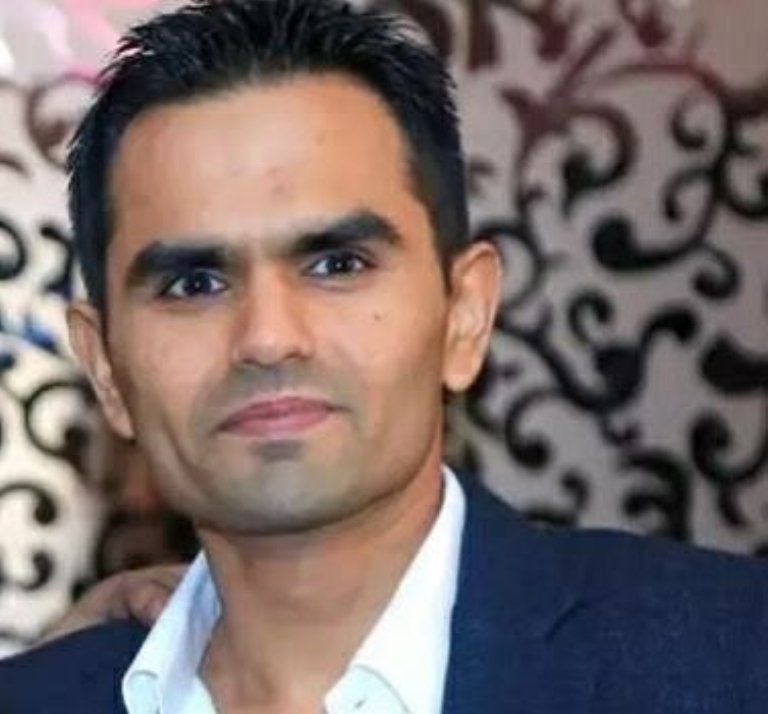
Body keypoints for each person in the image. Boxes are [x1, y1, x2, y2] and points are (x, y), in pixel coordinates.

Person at [2, 1, 768, 712]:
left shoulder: (731, 656)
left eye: (336, 264)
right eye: (194, 283)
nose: (268, 337)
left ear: (464, 315)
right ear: (105, 369)